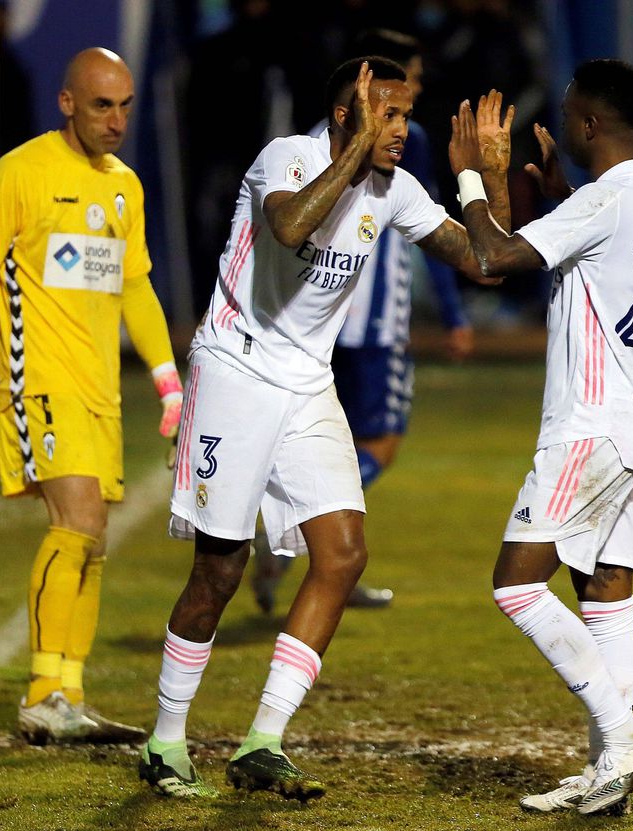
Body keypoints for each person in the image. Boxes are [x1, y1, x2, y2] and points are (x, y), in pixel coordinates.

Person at [138, 57, 509, 801]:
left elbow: (487, 260)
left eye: (405, 117)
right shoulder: (288, 157)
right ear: (345, 115)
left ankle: (262, 742)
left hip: (308, 383)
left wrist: (485, 178)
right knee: (220, 569)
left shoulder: (396, 189)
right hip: (236, 369)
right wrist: (354, 152)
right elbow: (289, 225)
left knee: (342, 555)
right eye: (386, 115)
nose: (400, 131)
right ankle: (165, 741)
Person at [0, 48, 183, 745]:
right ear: (68, 103)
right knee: (77, 520)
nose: (117, 120)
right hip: (34, 378)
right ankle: (43, 693)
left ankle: (68, 692)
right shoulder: (19, 172)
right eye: (102, 105)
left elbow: (136, 287)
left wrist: (169, 383)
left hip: (100, 389)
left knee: (92, 541)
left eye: (125, 106)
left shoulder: (125, 186)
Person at [447, 59, 633, 816]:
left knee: (516, 584)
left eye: (570, 113)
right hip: (631, 417)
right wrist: (559, 193)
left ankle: (623, 735)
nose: (563, 121)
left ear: (591, 125)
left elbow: (494, 256)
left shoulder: (605, 200)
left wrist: (471, 176)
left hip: (589, 426)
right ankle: (611, 770)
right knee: (605, 592)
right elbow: (599, 245)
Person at [249, 28, 475, 614]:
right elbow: (439, 240)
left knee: (331, 446)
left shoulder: (313, 140)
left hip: (315, 327)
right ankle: (295, 534)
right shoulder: (398, 144)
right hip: (371, 322)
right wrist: (453, 313)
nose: (410, 102)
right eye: (407, 85)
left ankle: (323, 558)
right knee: (378, 444)